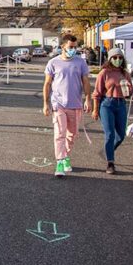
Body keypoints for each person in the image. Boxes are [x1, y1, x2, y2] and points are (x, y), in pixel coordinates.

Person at [42, 33, 92, 178]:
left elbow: (86, 82)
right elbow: (47, 84)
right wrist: (46, 103)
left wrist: (88, 99)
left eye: (75, 47)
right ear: (63, 46)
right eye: (71, 47)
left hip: (75, 104)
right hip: (58, 104)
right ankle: (60, 162)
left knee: (72, 135)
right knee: (60, 134)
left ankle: (65, 156)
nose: (73, 50)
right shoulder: (53, 63)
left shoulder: (80, 63)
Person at [92, 47, 132, 175]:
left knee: (121, 136)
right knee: (110, 134)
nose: (117, 60)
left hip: (121, 104)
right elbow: (97, 93)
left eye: (120, 58)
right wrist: (95, 109)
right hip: (107, 104)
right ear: (109, 59)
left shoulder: (125, 73)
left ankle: (109, 150)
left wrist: (130, 89)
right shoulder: (104, 73)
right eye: (114, 58)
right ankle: (110, 162)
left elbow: (130, 93)